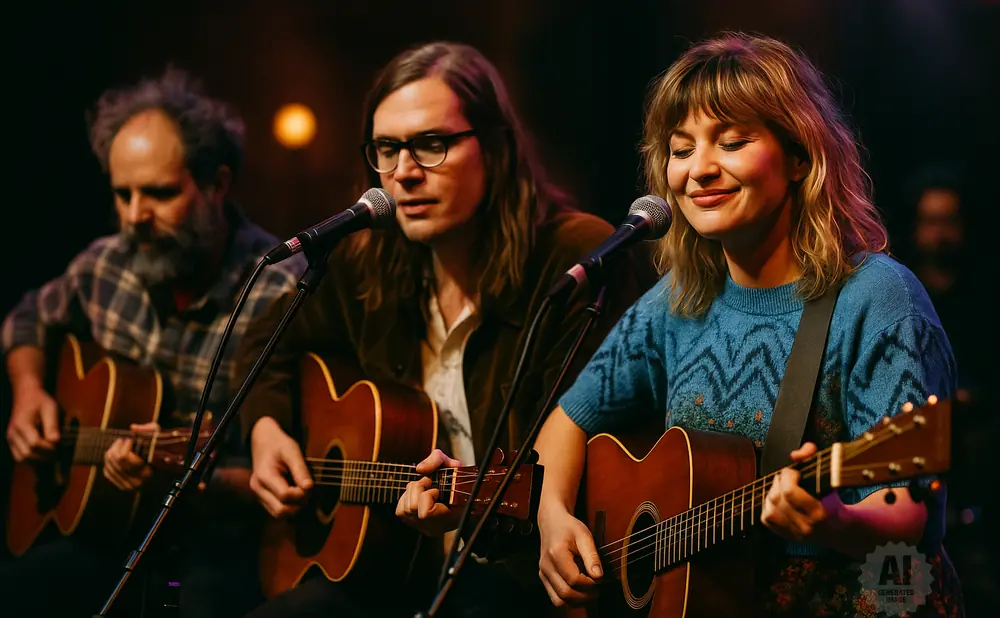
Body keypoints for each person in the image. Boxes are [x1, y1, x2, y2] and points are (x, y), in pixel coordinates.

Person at [534, 32, 965, 618]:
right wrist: (553, 520)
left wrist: (834, 519)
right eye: (681, 150)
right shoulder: (677, 302)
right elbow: (566, 420)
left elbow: (911, 510)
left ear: (798, 157)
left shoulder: (876, 297)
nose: (700, 169)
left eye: (732, 142)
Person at [236, 41, 656, 617]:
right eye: (387, 149)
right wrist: (265, 427)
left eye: (431, 145)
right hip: (393, 562)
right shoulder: (368, 261)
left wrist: (480, 508)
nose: (404, 173)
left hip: (520, 572)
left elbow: (596, 444)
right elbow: (264, 344)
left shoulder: (575, 260)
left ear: (496, 147)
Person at [0, 68, 304, 617]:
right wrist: (28, 392)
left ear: (217, 184)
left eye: (159, 193)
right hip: (109, 532)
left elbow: (285, 468)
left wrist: (191, 476)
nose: (135, 215)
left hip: (219, 546)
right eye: (123, 194)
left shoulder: (279, 286)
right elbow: (27, 319)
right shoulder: (103, 264)